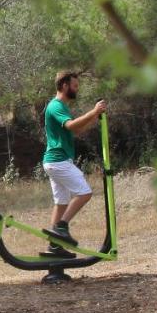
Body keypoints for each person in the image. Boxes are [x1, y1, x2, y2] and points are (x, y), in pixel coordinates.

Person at [40, 71, 107, 254]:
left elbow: (76, 130)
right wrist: (93, 111)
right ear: (64, 86)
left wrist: (95, 116)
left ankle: (55, 245)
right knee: (85, 193)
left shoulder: (61, 107)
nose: (77, 89)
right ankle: (61, 227)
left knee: (61, 203)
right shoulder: (56, 106)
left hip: (55, 162)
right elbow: (71, 125)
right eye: (75, 86)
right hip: (59, 161)